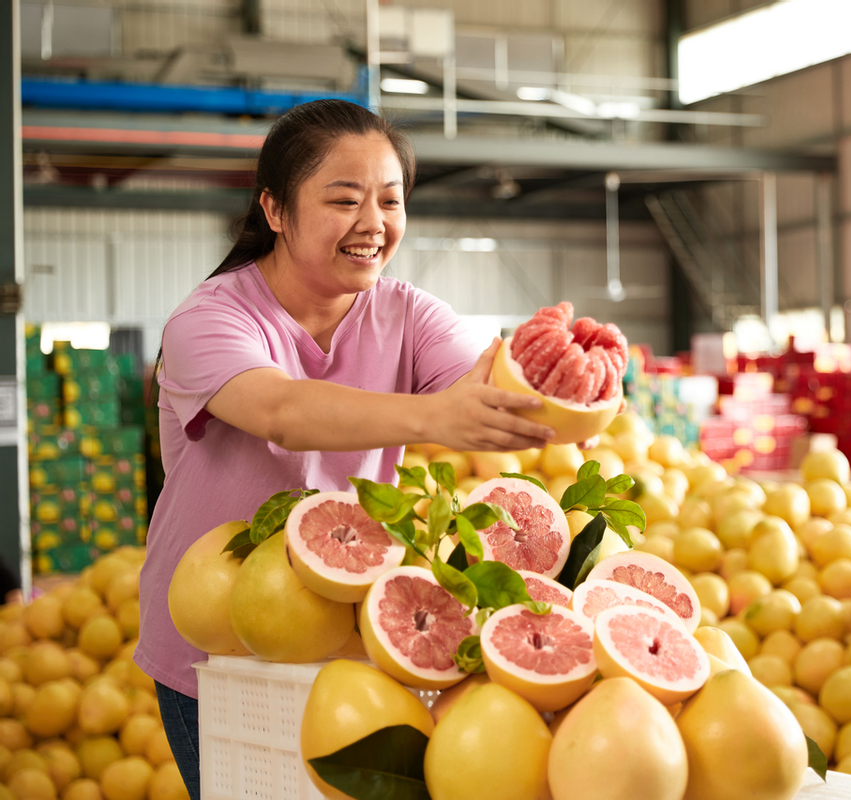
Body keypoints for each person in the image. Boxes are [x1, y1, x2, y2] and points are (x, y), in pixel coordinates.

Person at [133, 99, 561, 800]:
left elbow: (490, 385)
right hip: (214, 641)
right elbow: (282, 411)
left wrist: (562, 372)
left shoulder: (408, 312)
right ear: (274, 209)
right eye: (343, 199)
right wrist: (436, 417)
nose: (373, 223)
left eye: (390, 201)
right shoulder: (209, 318)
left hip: (348, 629)